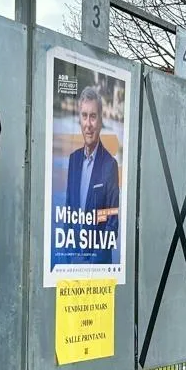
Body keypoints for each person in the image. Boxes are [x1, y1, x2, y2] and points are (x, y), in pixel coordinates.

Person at [64, 85, 120, 264]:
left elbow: (112, 222)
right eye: (84, 116)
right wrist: (68, 257)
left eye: (93, 116)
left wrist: (92, 261)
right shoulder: (73, 160)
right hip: (73, 262)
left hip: (97, 265)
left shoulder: (110, 165)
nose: (88, 124)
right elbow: (68, 211)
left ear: (101, 121)